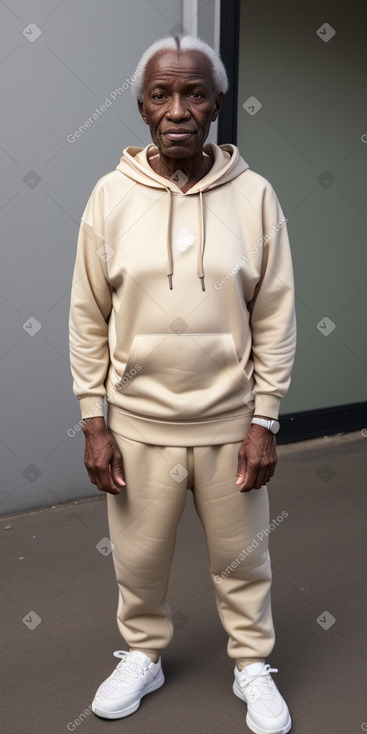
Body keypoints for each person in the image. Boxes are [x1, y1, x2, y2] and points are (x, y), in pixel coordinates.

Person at [68, 33, 296, 734]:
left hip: (229, 427)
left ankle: (251, 664)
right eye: (162, 93)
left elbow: (276, 312)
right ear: (141, 107)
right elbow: (86, 313)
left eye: (193, 92)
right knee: (138, 561)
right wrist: (93, 419)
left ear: (217, 105)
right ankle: (143, 653)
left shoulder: (255, 197)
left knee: (240, 562)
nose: (178, 107)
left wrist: (265, 421)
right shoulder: (109, 198)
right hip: (137, 426)